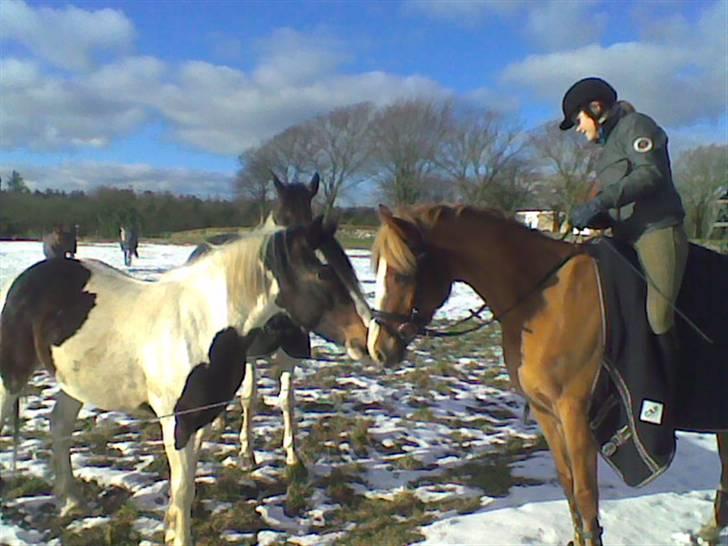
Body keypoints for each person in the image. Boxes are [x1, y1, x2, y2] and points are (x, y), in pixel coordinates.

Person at [560, 76, 688, 382]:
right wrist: (600, 217)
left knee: (658, 315)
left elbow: (650, 174)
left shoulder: (637, 126)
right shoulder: (607, 151)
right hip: (624, 236)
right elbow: (621, 201)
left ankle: (672, 385)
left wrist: (601, 201)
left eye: (579, 120)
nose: (579, 128)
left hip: (655, 232)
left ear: (596, 108)